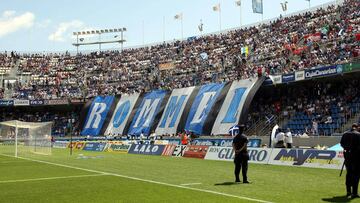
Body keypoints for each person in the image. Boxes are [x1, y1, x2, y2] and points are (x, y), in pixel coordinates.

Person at [340, 123, 360, 198]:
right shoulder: (358, 134)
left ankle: (348, 192)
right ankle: (354, 193)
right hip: (357, 158)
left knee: (349, 174)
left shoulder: (345, 134)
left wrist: (347, 148)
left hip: (347, 158)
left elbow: (341, 144)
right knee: (356, 176)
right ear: (357, 127)